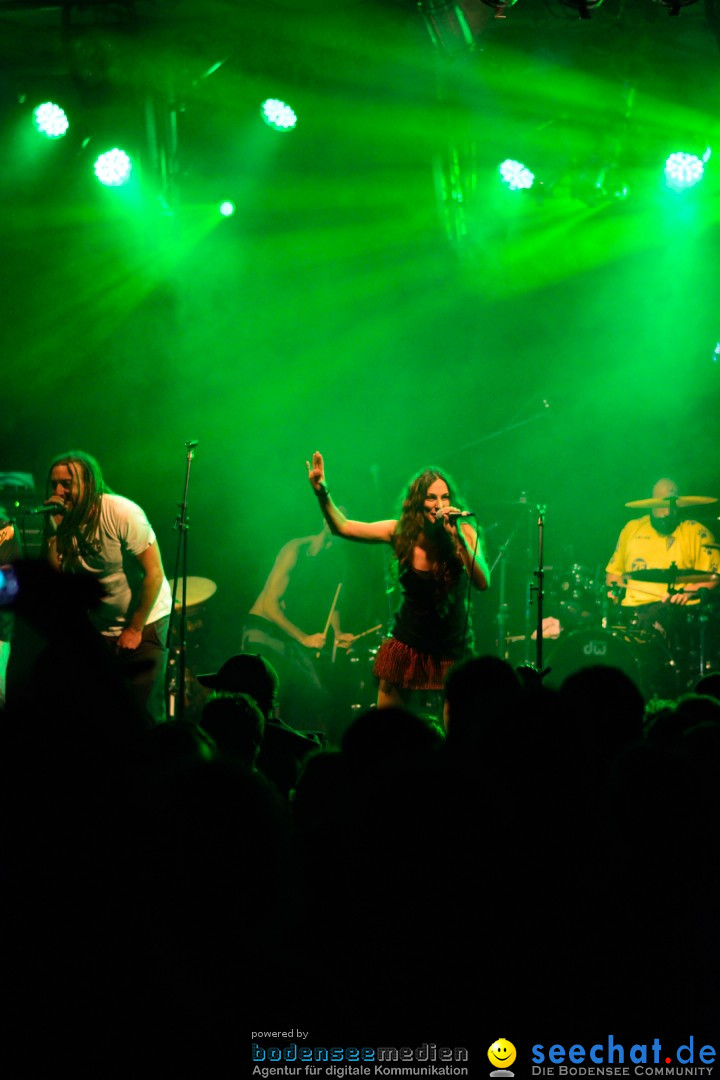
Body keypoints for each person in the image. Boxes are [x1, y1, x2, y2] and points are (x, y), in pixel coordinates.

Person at [306, 450, 490, 710]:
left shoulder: (465, 532)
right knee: (389, 730)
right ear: (417, 502)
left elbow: (483, 582)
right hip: (408, 643)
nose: (439, 504)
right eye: (431, 497)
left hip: (452, 646)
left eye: (445, 497)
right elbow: (343, 526)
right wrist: (322, 493)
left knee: (458, 728)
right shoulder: (400, 531)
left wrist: (458, 538)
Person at [43, 450, 172, 722]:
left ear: (88, 484)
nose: (58, 491)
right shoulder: (61, 521)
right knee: (102, 709)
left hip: (146, 618)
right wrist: (56, 531)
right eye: (54, 484)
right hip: (102, 623)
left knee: (142, 709)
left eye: (67, 484)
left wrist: (135, 628)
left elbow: (154, 573)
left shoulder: (122, 512)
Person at [605, 477, 719, 692]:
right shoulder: (631, 529)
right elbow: (613, 574)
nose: (668, 512)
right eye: (663, 506)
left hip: (676, 611)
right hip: (630, 610)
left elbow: (713, 576)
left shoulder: (697, 531)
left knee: (659, 617)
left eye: (673, 506)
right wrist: (613, 593)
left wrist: (687, 593)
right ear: (651, 503)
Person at [243, 520, 355, 733]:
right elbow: (269, 605)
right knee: (269, 698)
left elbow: (333, 603)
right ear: (325, 519)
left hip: (287, 637)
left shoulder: (334, 561)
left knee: (317, 695)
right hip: (263, 631)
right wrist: (303, 637)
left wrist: (338, 632)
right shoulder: (296, 549)